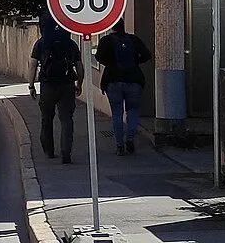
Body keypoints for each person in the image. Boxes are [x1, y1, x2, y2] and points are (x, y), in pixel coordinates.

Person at [94, 19, 153, 155]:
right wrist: (134, 61)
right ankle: (130, 138)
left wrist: (111, 63)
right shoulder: (133, 39)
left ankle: (119, 145)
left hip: (113, 80)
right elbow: (147, 55)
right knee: (133, 111)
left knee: (117, 113)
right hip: (134, 80)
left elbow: (99, 57)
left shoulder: (106, 41)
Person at [29, 17, 83, 164]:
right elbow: (79, 65)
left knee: (47, 118)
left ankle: (49, 150)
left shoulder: (41, 43)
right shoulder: (70, 43)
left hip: (48, 85)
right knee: (66, 119)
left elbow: (33, 65)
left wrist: (31, 85)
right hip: (67, 85)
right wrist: (79, 83)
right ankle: (66, 152)